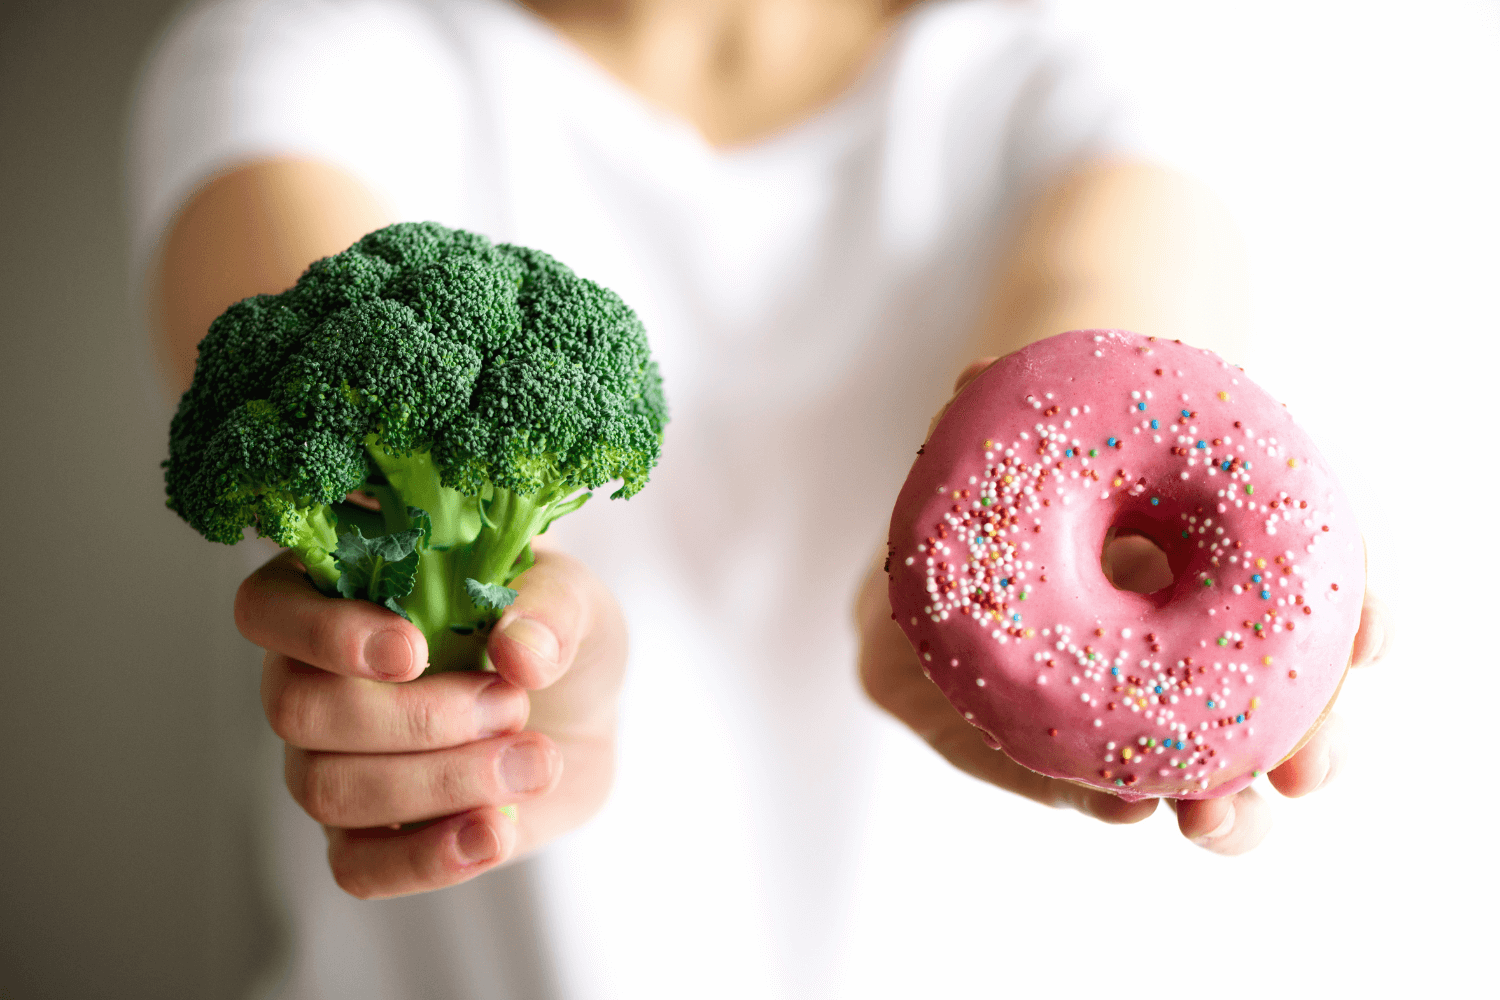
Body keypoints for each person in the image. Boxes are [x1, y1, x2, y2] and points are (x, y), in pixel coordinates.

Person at [131, 0, 1387, 993]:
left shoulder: (1094, 55)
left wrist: (931, 613)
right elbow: (313, 375)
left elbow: (1110, 359)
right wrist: (512, 671)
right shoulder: (296, 51)